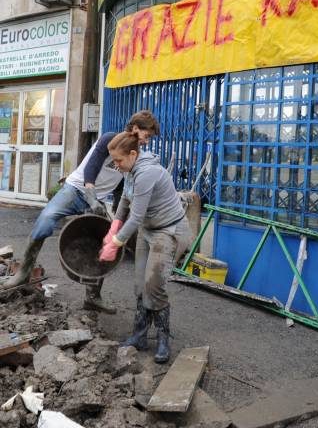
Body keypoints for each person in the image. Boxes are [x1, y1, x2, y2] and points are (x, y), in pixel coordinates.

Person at [0, 110, 160, 314]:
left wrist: (119, 218)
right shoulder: (111, 139)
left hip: (98, 200)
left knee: (104, 242)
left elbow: (123, 187)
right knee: (46, 220)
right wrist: (91, 197)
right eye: (147, 135)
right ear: (136, 128)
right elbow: (91, 168)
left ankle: (93, 297)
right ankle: (23, 273)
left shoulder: (134, 154)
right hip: (75, 189)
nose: (147, 141)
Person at [99, 131, 193, 362]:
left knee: (154, 286)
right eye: (114, 161)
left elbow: (137, 215)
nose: (117, 165)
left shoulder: (147, 172)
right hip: (148, 231)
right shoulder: (130, 170)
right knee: (140, 286)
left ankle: (163, 339)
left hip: (168, 231)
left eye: (119, 160)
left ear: (133, 154)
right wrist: (113, 228)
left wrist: (116, 243)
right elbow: (124, 201)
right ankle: (139, 335)